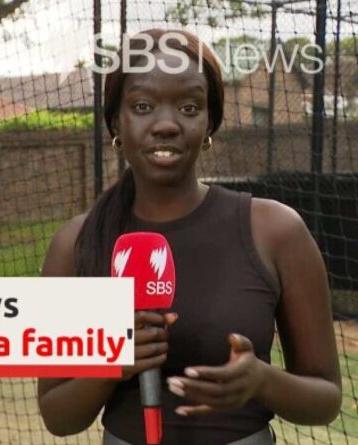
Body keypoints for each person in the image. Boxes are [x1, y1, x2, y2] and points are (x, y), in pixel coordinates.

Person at [37, 29, 341, 445]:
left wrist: (262, 380)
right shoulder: (74, 244)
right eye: (142, 106)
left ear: (210, 122)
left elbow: (326, 400)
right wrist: (113, 364)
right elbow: (58, 416)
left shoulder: (276, 230)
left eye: (189, 107)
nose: (166, 124)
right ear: (115, 122)